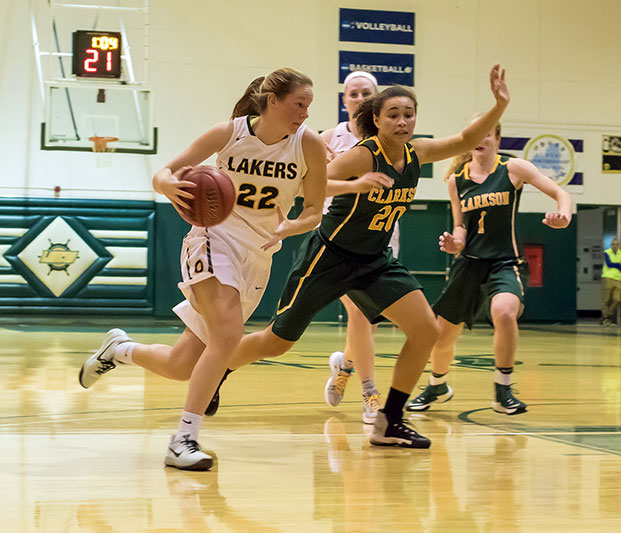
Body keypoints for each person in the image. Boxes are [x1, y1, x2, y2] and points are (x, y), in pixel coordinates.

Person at [214, 64, 511, 448]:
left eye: (408, 114)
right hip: (330, 255)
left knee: (426, 330)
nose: (402, 121)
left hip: (374, 260)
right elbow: (310, 187)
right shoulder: (362, 156)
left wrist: (499, 103)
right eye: (393, 115)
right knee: (277, 340)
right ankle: (218, 368)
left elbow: (467, 138)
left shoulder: (418, 152)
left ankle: (390, 420)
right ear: (376, 119)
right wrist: (357, 186)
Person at [77, 68, 327, 470]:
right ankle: (184, 439)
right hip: (212, 239)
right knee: (228, 337)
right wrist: (168, 186)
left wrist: (295, 224)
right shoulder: (229, 133)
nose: (305, 113)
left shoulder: (308, 145)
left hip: (259, 253)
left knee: (181, 366)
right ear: (273, 101)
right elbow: (166, 171)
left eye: (309, 106)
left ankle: (119, 350)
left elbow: (314, 209)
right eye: (299, 104)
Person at [405, 118, 572, 415]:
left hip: (506, 261)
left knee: (504, 312)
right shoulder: (457, 179)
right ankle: (437, 385)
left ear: (497, 139)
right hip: (469, 263)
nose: (480, 139)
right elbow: (460, 226)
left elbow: (562, 194)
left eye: (486, 134)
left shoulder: (512, 169)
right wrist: (455, 243)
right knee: (442, 335)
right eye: (475, 134)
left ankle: (502, 390)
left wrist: (564, 215)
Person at [319, 71, 386, 424]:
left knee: (368, 323)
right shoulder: (330, 138)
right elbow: (308, 181)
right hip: (340, 239)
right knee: (360, 314)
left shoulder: (388, 138)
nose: (359, 98)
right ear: (344, 100)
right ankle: (370, 393)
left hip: (381, 235)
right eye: (353, 93)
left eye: (366, 93)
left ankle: (344, 366)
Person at [601, 237, 621, 326]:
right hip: (608, 277)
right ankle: (606, 318)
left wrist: (617, 265)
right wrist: (618, 264)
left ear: (619, 245)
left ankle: (608, 314)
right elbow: (609, 264)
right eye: (613, 244)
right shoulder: (607, 253)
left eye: (617, 244)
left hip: (618, 278)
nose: (615, 246)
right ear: (611, 245)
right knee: (606, 299)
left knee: (617, 299)